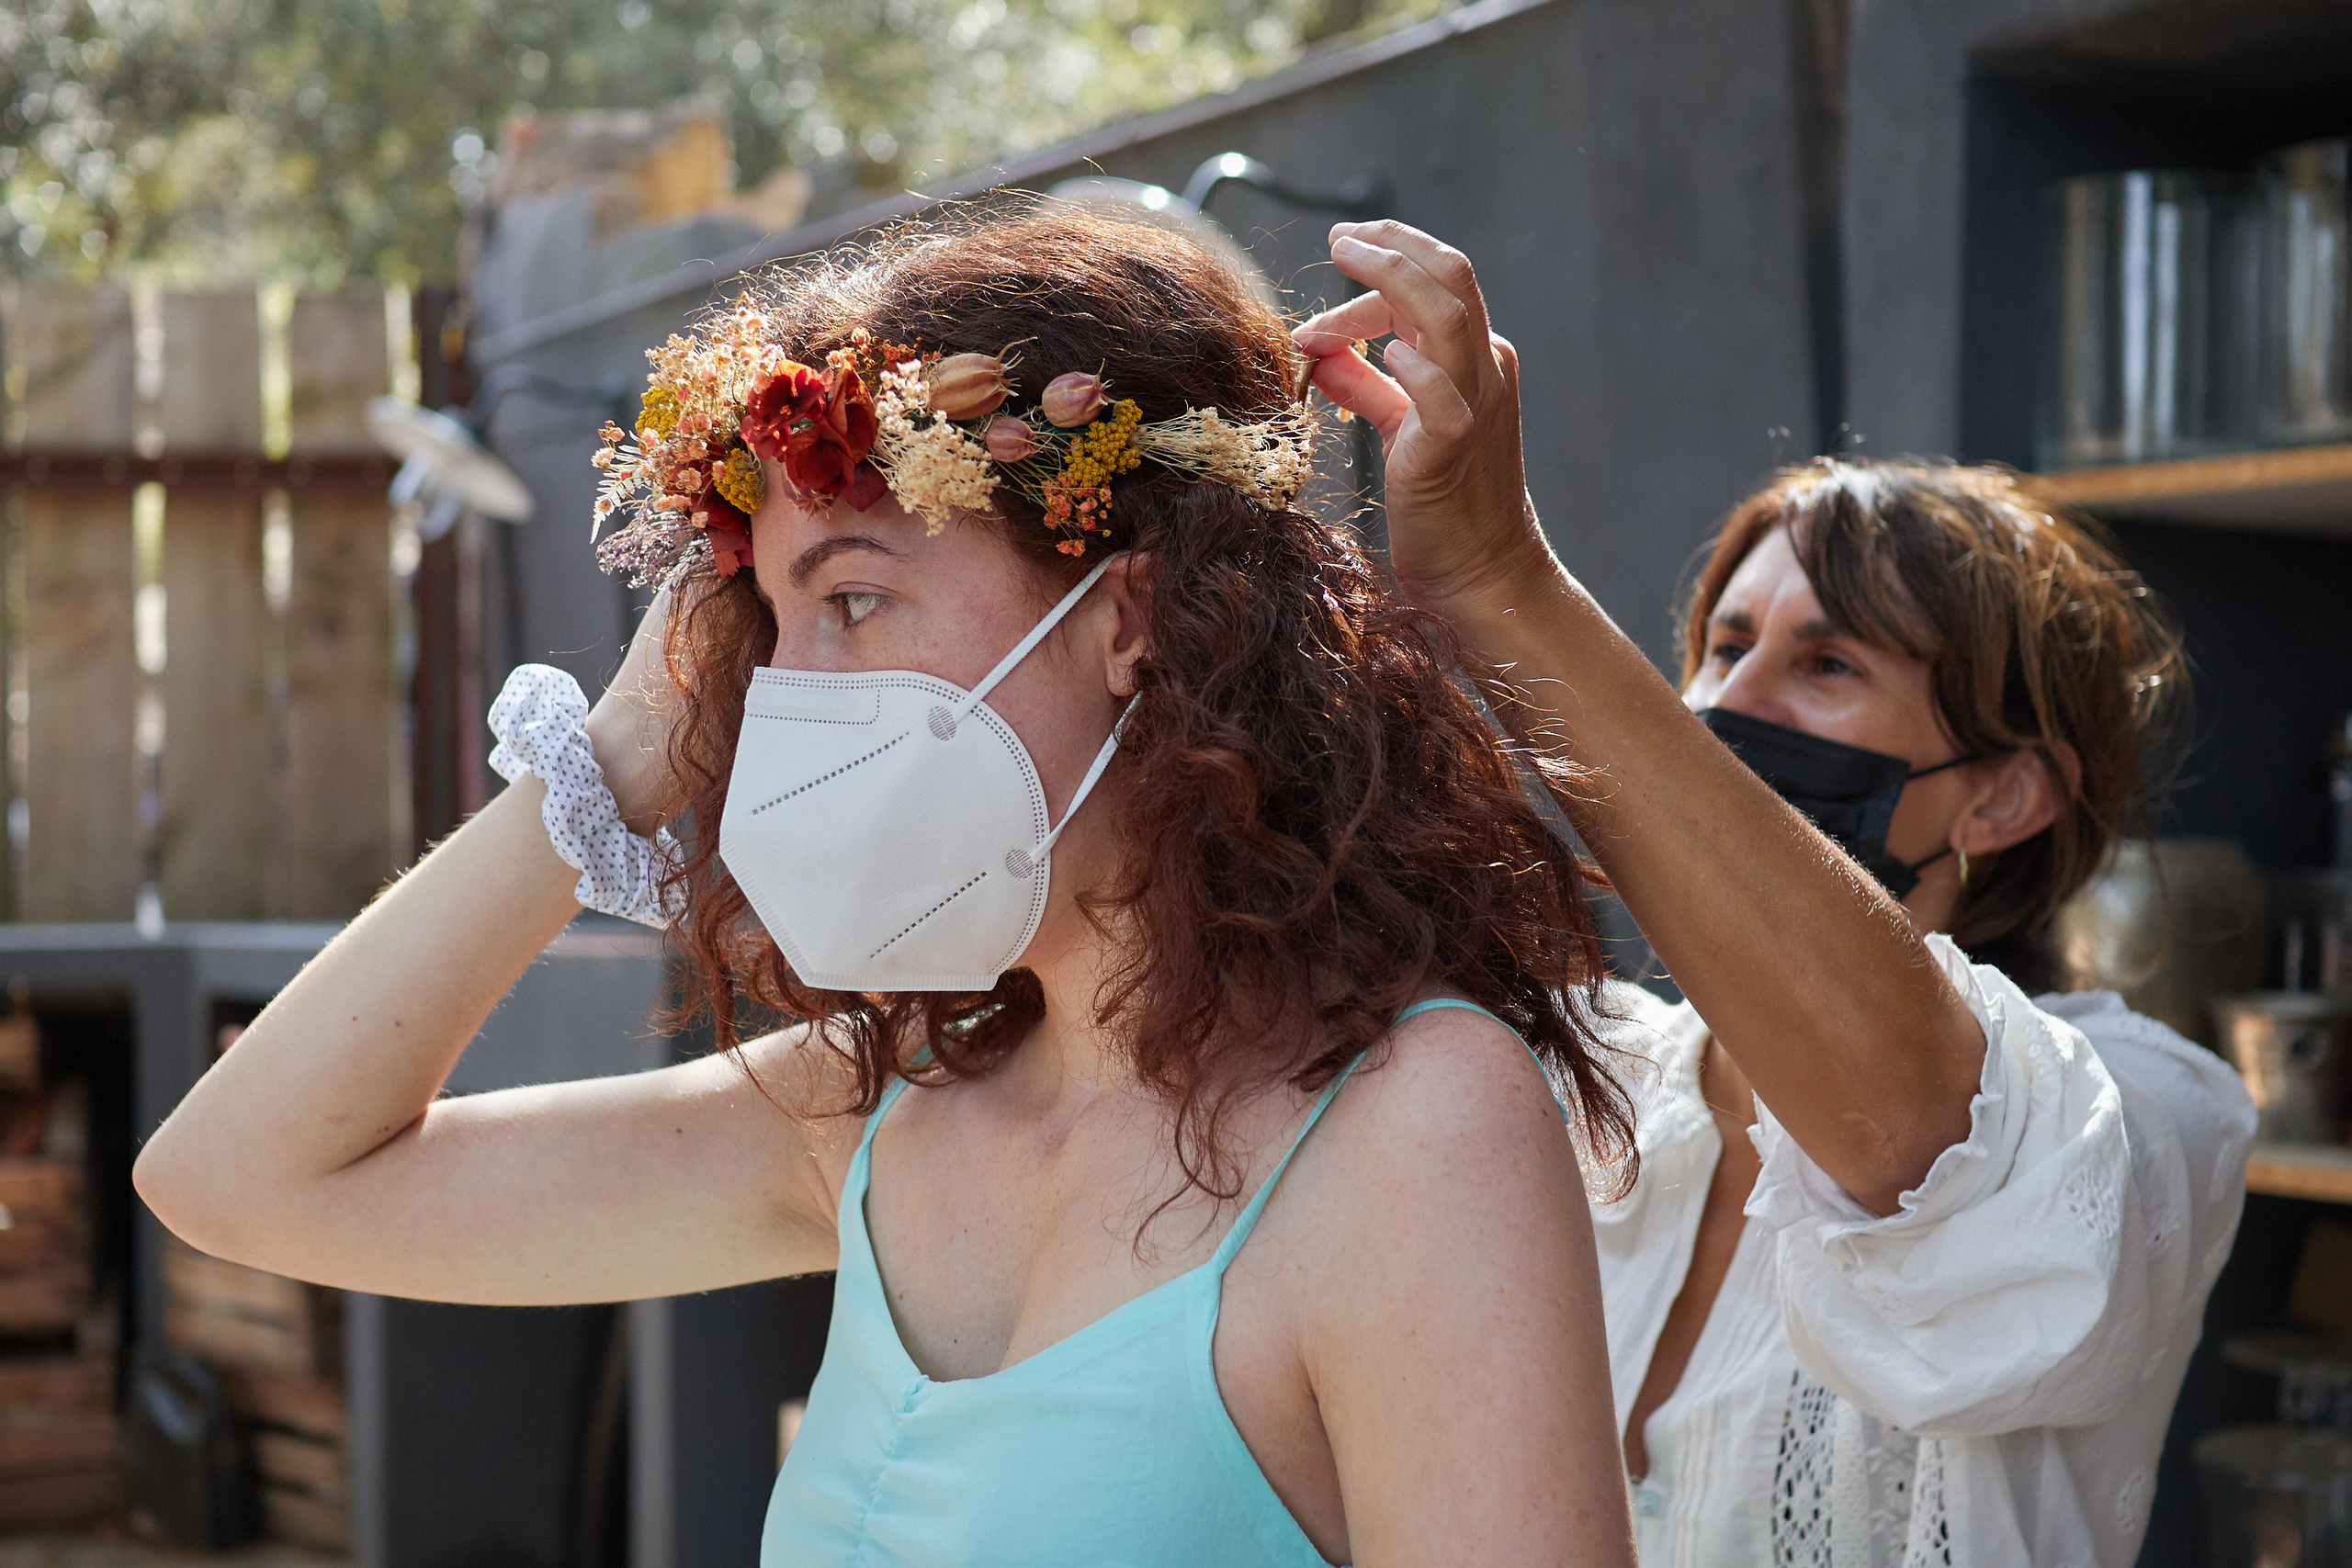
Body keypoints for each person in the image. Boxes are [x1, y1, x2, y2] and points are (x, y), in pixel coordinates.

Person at [133, 207, 1642, 1566]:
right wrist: (614, 755)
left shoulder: (1417, 1124)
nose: (788, 698)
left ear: (1131, 615)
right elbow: (234, 1181)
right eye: (767, 628)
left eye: (854, 600)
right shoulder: (883, 1111)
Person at [1296, 221, 2256, 1567]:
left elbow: (1904, 1125)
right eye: (1726, 645)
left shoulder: (2144, 1119)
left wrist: (1501, 581)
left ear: (2004, 795)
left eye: (1829, 666)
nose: (1727, 707)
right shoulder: (1588, 1082)